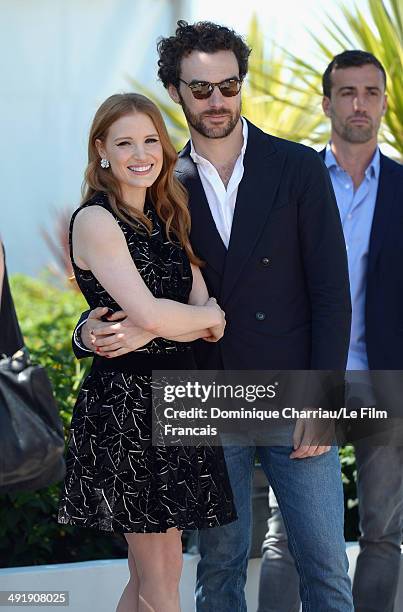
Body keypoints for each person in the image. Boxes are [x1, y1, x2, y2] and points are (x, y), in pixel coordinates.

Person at [72, 21, 354, 612]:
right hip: (203, 401)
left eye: (229, 85)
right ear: (175, 91)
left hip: (290, 398)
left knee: (327, 567)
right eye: (201, 89)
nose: (217, 100)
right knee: (217, 571)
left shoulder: (297, 168)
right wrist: (84, 331)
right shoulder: (159, 182)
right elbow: (125, 279)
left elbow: (332, 292)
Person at [57, 92, 238, 612]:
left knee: (153, 572)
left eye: (151, 140)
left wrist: (167, 323)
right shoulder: (95, 220)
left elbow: (209, 316)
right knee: (160, 575)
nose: (142, 153)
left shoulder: (167, 215)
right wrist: (175, 320)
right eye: (125, 142)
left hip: (178, 400)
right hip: (130, 409)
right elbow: (180, 315)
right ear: (101, 151)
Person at [258, 50, 403, 612]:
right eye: (347, 92)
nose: (359, 103)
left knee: (383, 532)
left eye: (371, 92)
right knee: (287, 533)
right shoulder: (294, 180)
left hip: (385, 378)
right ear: (327, 103)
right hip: (308, 377)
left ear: (385, 103)